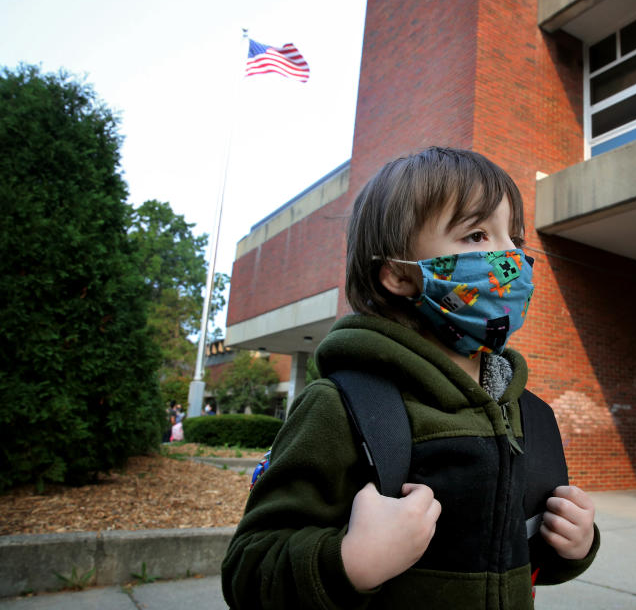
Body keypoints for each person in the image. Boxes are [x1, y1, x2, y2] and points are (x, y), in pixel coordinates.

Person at [221, 147, 599, 609]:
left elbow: (517, 554)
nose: (510, 257)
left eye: (514, 239)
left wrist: (573, 546)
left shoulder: (528, 412)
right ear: (399, 275)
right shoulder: (344, 407)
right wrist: (351, 562)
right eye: (477, 234)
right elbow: (248, 570)